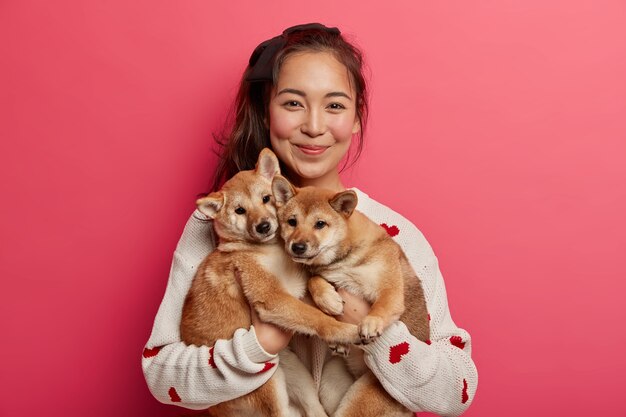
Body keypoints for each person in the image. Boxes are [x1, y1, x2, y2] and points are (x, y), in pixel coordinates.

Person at [142, 23, 478, 416]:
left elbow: (457, 390)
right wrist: (259, 346)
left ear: (356, 117)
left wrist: (374, 331)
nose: (314, 126)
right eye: (292, 103)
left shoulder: (392, 233)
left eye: (334, 105)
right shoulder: (217, 227)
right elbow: (161, 373)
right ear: (266, 112)